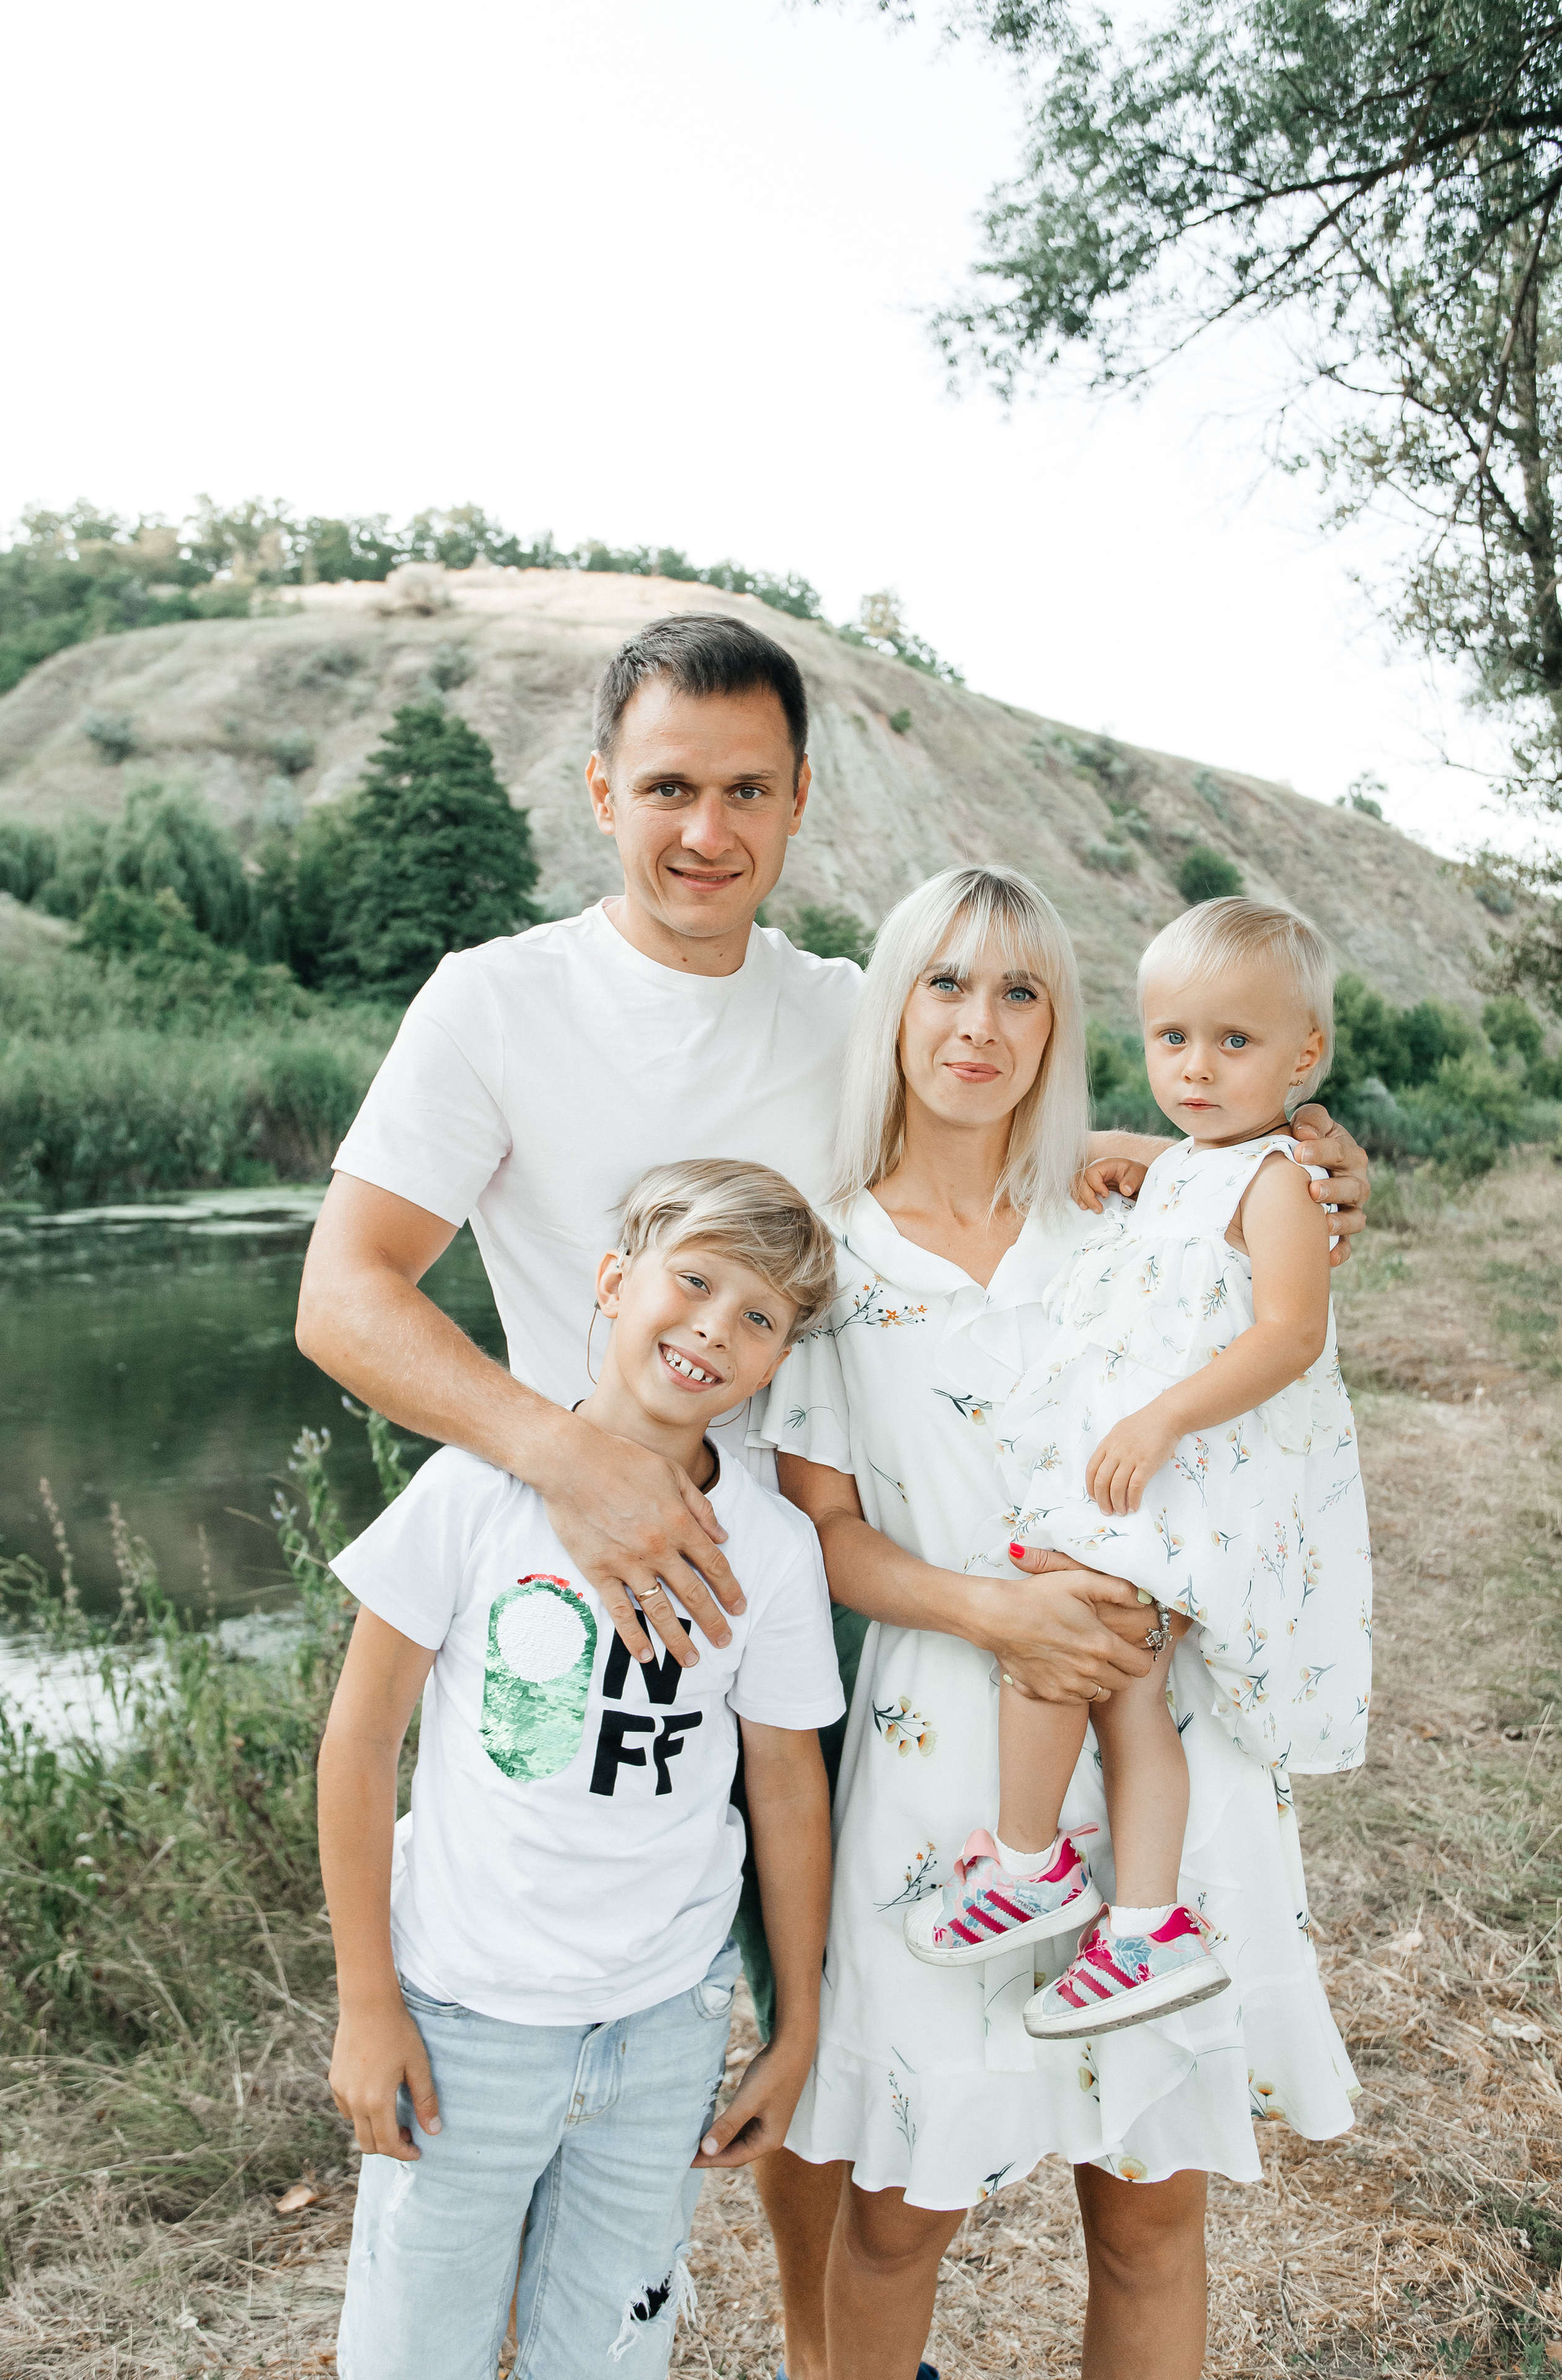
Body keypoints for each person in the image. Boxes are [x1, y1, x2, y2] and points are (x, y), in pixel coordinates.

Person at [295, 610, 1373, 2379]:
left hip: (810, 1593)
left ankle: (824, 2350)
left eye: (744, 789)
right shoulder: (496, 999)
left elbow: (1135, 1123)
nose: (703, 829)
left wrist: (1275, 1174)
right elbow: (345, 1295)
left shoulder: (840, 1006)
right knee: (737, 2033)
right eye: (665, 787)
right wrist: (568, 1462)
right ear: (600, 792)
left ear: (799, 802)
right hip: (629, 1581)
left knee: (831, 2033)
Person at [764, 866, 1362, 2380]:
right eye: (944, 983)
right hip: (949, 1760)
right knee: (901, 2215)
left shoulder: (1127, 1210)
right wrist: (994, 1608)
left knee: (1149, 2216)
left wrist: (1316, 1169)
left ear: (1061, 1021)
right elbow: (820, 1535)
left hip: (1151, 1732)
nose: (979, 1023)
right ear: (891, 1004)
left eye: (1020, 990)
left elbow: (1272, 1272)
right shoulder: (826, 1256)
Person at [319, 1161, 847, 2379]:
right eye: (695, 1281)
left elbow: (783, 1783)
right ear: (614, 1284)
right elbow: (357, 1742)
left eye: (759, 1317)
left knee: (606, 2354)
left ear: (776, 1362)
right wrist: (366, 2005)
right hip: (465, 2022)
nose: (716, 1327)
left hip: (662, 2026)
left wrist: (796, 2020)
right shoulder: (472, 1494)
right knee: (413, 2358)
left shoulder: (767, 1547)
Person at [903, 897, 1371, 2052]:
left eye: (1235, 1042)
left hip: (1180, 1484)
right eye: (1173, 1040)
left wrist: (1161, 1420)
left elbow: (1289, 1337)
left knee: (1052, 1650)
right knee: (1127, 1702)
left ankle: (1033, 1865)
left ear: (1304, 1054)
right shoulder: (1197, 1171)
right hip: (1148, 1487)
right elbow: (1191, 1178)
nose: (1197, 1068)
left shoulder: (1280, 1185)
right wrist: (1133, 1156)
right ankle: (1150, 1926)